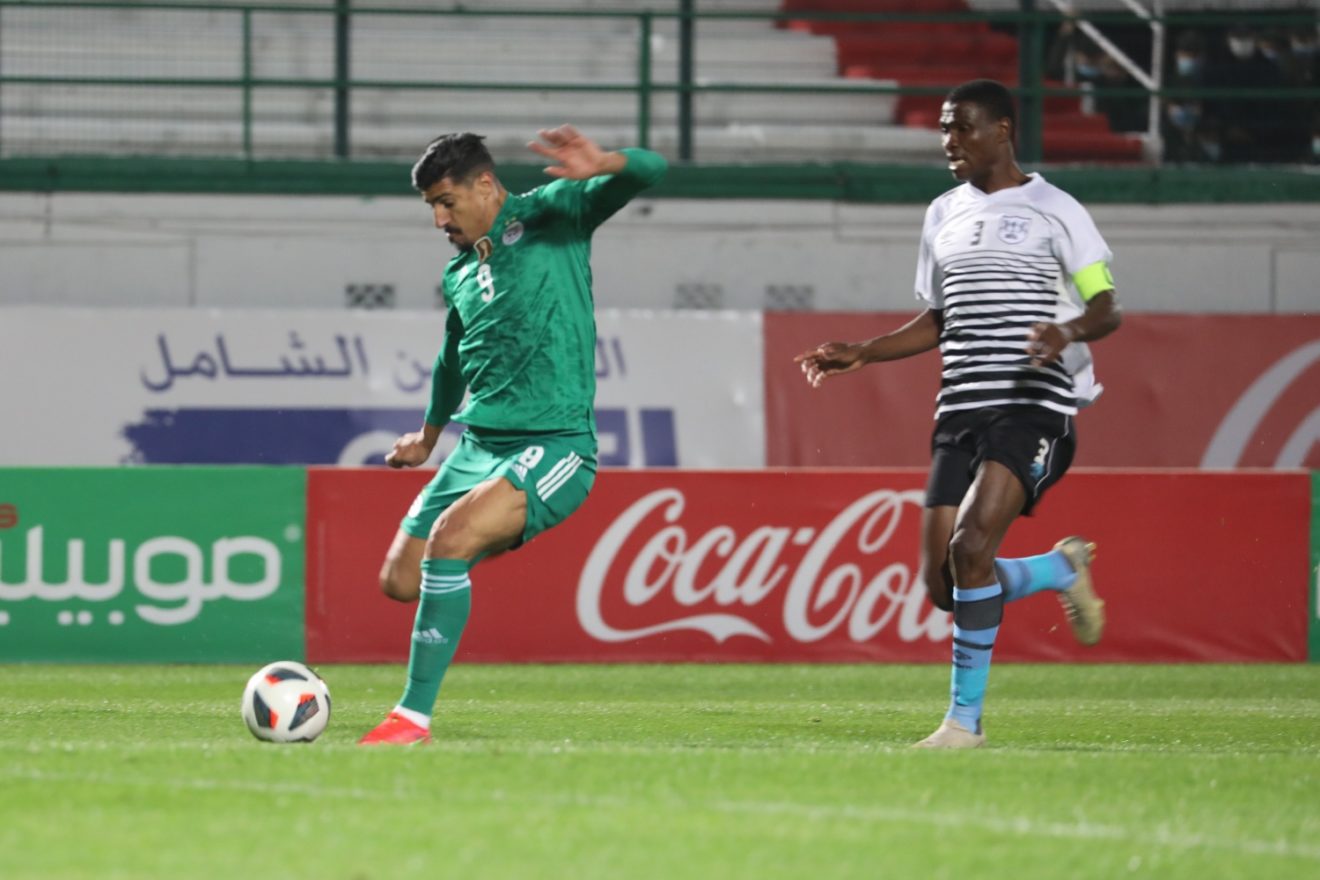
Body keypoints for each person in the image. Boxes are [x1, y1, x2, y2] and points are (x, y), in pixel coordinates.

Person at [795, 79, 1122, 749]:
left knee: (972, 548)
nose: (949, 140)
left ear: (1002, 130)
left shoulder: (1056, 209)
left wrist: (1067, 331)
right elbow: (939, 318)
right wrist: (865, 351)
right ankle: (1058, 569)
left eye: (962, 127)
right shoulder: (942, 213)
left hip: (1032, 403)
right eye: (944, 128)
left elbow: (1105, 305)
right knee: (945, 584)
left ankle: (962, 725)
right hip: (960, 409)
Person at [358, 126, 667, 746]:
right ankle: (480, 537)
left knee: (450, 541)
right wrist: (427, 437)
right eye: (431, 207)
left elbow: (651, 169)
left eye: (446, 202)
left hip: (554, 444)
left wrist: (605, 162)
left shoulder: (553, 214)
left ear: (485, 185)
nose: (439, 219)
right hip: (478, 447)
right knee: (399, 580)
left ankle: (411, 719)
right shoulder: (459, 272)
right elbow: (451, 359)